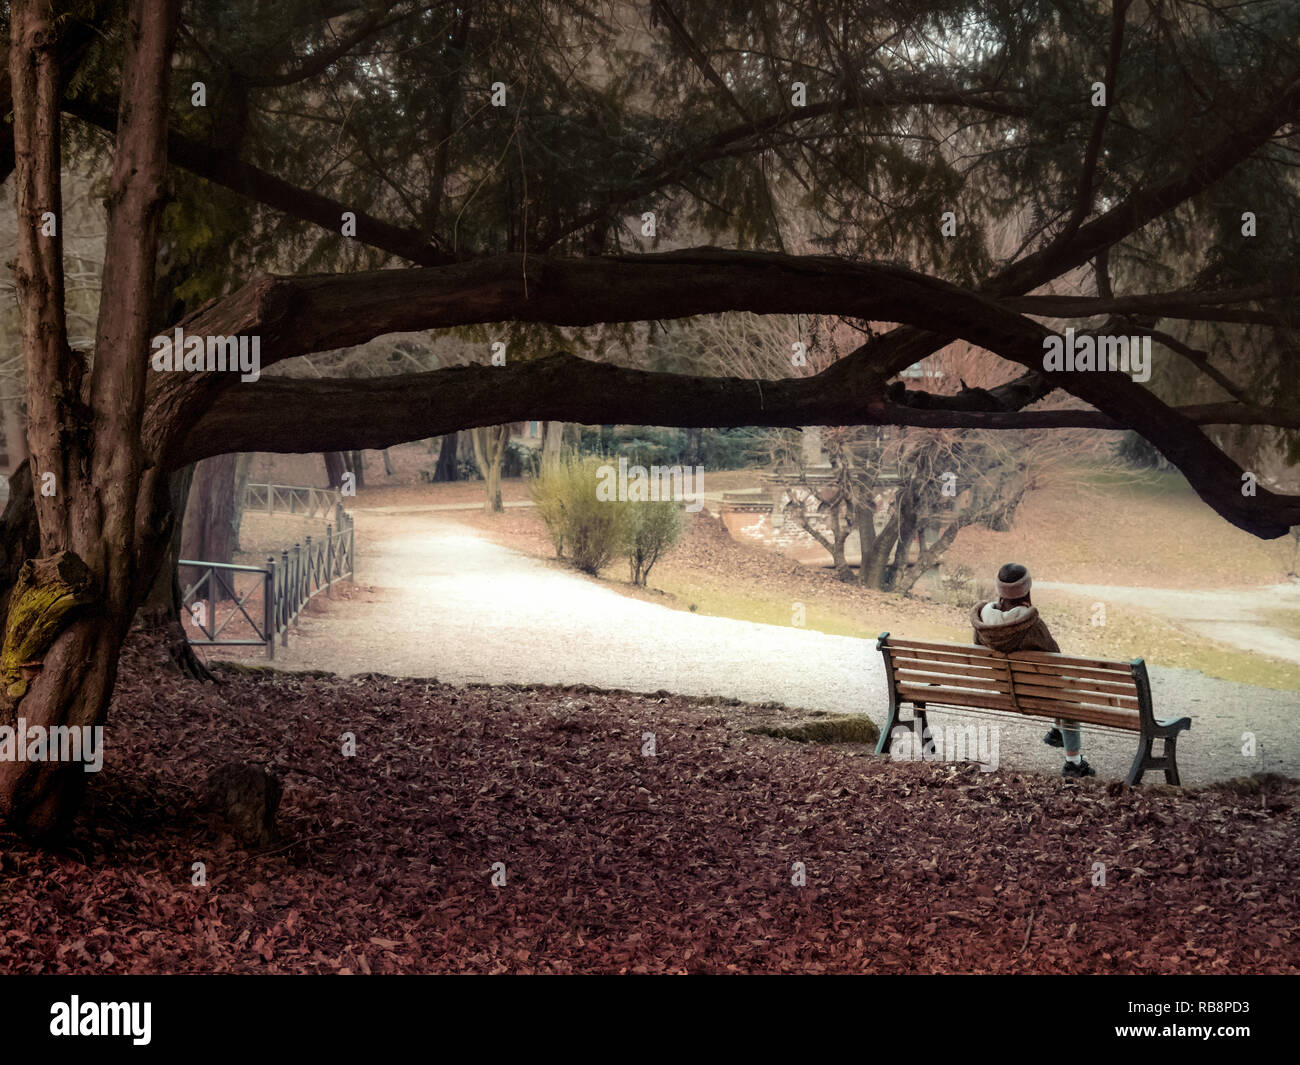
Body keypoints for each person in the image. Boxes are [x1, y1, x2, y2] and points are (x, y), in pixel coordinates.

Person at [970, 562, 1095, 778]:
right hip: (1037, 692)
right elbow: (1055, 660)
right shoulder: (1032, 624)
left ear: (1000, 591)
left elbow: (979, 652)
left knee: (1056, 685)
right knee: (1068, 692)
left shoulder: (983, 622)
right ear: (1027, 588)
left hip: (1006, 690)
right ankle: (1073, 762)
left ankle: (1057, 731)